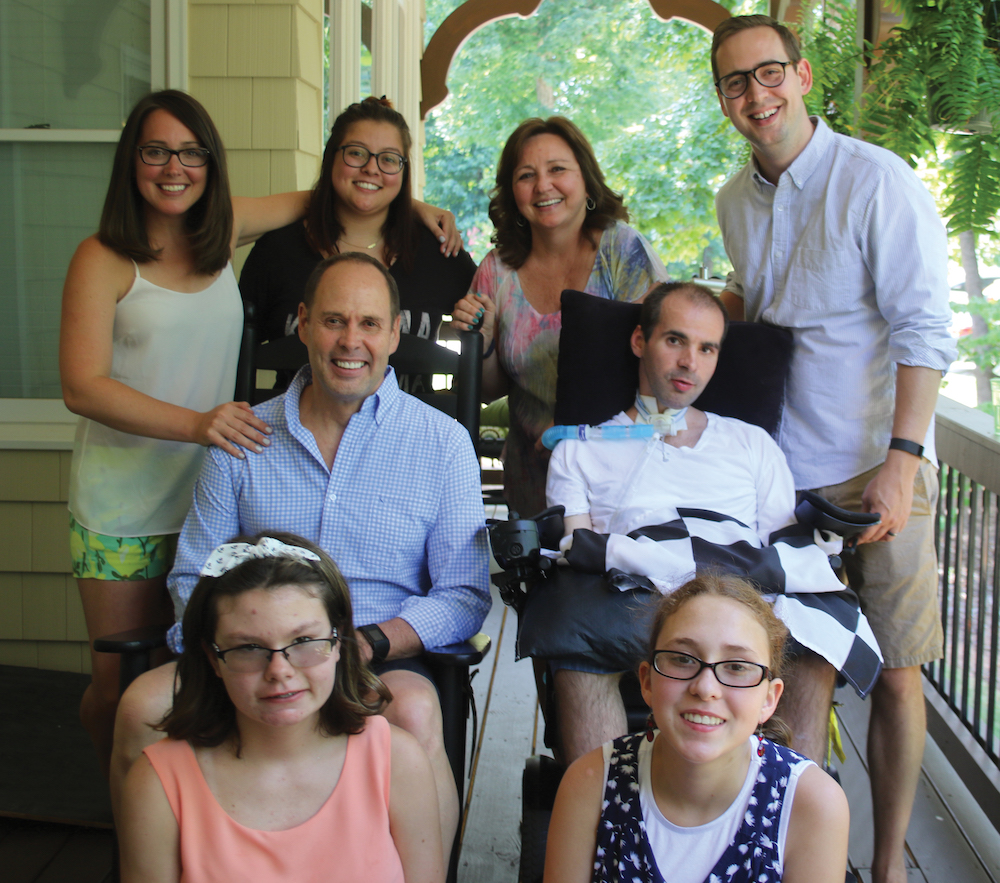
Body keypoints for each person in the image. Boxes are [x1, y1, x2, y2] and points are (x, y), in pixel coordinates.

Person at [111, 251, 490, 860]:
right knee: (138, 707)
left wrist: (372, 642)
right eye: (335, 320)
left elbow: (465, 594)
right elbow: (193, 575)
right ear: (304, 324)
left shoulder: (441, 444)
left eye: (369, 323)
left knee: (417, 713)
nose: (351, 341)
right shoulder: (243, 437)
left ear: (395, 332)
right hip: (246, 649)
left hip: (374, 653)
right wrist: (235, 651)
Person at [710, 16, 957, 883]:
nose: (756, 95)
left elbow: (926, 327)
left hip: (872, 469)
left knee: (895, 672)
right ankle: (784, 859)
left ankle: (887, 865)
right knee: (779, 669)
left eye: (768, 73)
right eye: (736, 83)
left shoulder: (875, 181)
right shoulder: (732, 200)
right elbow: (756, 303)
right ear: (723, 100)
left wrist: (902, 457)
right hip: (778, 479)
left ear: (803, 75)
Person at [60, 89, 312, 777]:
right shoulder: (103, 257)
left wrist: (419, 206)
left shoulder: (220, 232)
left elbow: (322, 197)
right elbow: (82, 386)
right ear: (132, 162)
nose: (175, 167)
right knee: (119, 686)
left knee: (193, 670)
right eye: (156, 150)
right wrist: (199, 424)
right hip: (122, 511)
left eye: (191, 151)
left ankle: (182, 810)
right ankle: (123, 808)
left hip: (212, 502)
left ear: (210, 162)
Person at [544, 283, 881, 766]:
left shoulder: (751, 445)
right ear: (640, 342)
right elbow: (576, 551)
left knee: (814, 644)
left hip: (745, 592)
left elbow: (784, 550)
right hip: (634, 599)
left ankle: (791, 820)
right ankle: (606, 822)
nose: (690, 363)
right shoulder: (581, 450)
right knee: (573, 639)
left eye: (707, 348)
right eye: (675, 341)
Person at [118, 532, 444, 883]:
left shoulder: (398, 761)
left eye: (304, 641)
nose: (279, 671)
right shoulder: (158, 782)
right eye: (248, 647)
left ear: (338, 642)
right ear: (213, 658)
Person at [543, 573, 850, 883]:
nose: (705, 687)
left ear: (769, 699)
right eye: (682, 659)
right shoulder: (592, 785)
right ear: (648, 682)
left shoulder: (810, 805)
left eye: (737, 667)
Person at [451, 116, 668, 516]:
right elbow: (490, 389)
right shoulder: (495, 271)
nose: (542, 186)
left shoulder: (623, 251)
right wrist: (480, 346)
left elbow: (663, 371)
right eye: (526, 175)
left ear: (586, 180)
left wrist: (579, 438)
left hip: (622, 481)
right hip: (534, 486)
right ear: (512, 192)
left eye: (557, 170)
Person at [240, 96, 475, 395]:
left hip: (410, 438)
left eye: (389, 159)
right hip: (295, 434)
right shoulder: (277, 252)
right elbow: (231, 358)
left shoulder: (437, 252)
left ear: (403, 171)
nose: (371, 168)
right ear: (331, 158)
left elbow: (488, 336)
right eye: (356, 153)